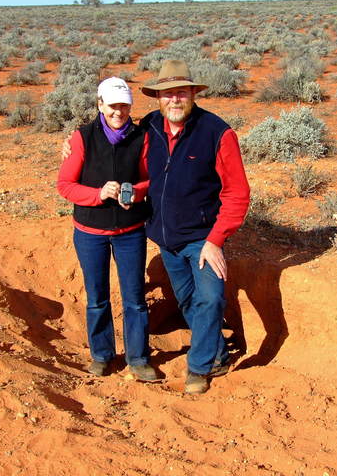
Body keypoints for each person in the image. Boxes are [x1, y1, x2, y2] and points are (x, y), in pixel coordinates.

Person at [140, 60, 250, 394]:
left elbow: (237, 192)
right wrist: (76, 144)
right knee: (187, 299)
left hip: (203, 238)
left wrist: (216, 240)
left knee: (212, 298)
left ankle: (199, 369)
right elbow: (111, 143)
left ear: (192, 94)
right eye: (167, 94)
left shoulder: (217, 132)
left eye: (181, 93)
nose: (174, 100)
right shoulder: (149, 127)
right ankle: (216, 354)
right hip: (164, 236)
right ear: (158, 98)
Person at [57, 77, 158, 382]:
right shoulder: (82, 138)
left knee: (135, 297)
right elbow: (65, 186)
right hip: (90, 232)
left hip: (130, 231)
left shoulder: (142, 137)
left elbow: (150, 179)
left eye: (125, 106)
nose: (119, 112)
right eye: (113, 106)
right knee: (97, 296)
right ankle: (102, 355)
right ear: (100, 104)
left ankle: (138, 358)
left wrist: (136, 193)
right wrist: (98, 195)